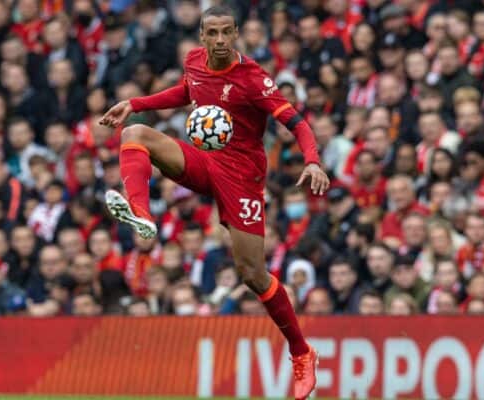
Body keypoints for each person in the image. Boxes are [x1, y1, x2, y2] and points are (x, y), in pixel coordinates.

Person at [99, 6, 327, 396]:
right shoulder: (194, 61)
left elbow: (297, 123)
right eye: (212, 33)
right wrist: (135, 103)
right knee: (134, 133)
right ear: (202, 37)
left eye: (226, 33)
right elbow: (186, 91)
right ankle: (141, 210)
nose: (220, 40)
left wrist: (313, 161)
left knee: (253, 273)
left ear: (236, 33)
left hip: (243, 179)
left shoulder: (254, 78)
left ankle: (302, 351)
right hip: (205, 161)